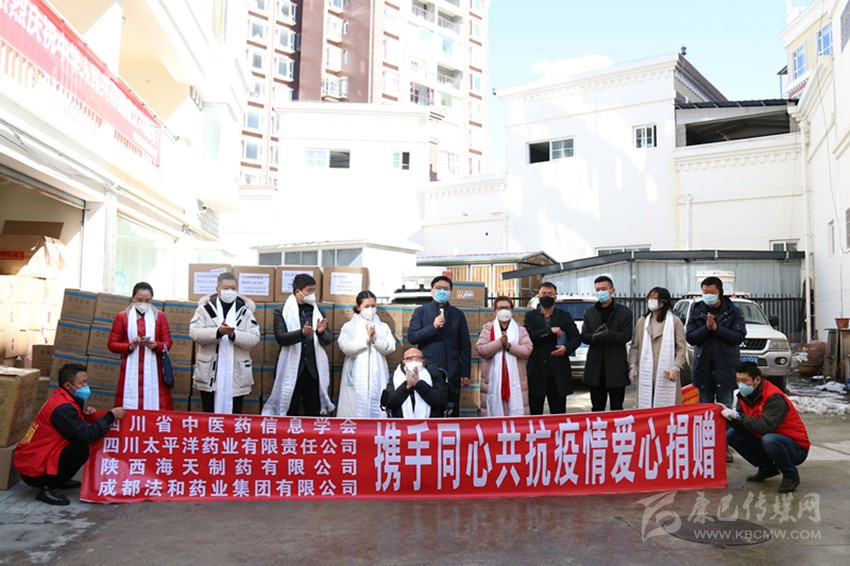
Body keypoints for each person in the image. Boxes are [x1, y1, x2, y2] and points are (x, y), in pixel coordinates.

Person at [14, 363, 126, 506]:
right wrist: (110, 416)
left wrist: (86, 415)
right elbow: (87, 435)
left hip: (36, 461)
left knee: (78, 446)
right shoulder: (63, 408)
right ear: (68, 385)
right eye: (82, 383)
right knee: (80, 449)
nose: (86, 386)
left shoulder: (64, 398)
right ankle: (48, 486)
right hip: (33, 470)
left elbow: (74, 426)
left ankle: (59, 480)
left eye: (86, 381)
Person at [686, 275, 746, 462]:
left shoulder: (733, 311)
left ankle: (723, 446)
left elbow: (739, 336)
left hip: (725, 367)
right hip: (703, 367)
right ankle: (705, 446)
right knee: (704, 409)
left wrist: (717, 329)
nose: (708, 296)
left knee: (724, 408)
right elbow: (691, 337)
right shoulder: (697, 309)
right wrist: (706, 328)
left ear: (720, 292)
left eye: (711, 292)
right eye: (705, 292)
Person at [724, 362, 809, 493]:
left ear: (757, 380)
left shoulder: (774, 397)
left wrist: (739, 417)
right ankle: (767, 468)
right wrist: (730, 419)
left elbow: (766, 426)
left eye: (744, 381)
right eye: (738, 380)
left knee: (770, 439)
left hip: (795, 447)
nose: (740, 385)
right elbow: (744, 426)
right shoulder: (743, 396)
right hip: (766, 440)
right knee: (732, 435)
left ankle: (791, 475)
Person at [189, 272, 261, 414]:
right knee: (209, 414)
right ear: (217, 289)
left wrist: (234, 335)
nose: (230, 291)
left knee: (235, 415)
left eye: (233, 288)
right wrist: (218, 332)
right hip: (209, 372)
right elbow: (194, 333)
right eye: (226, 288)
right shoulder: (205, 309)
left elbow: (254, 338)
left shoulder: (245, 311)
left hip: (237, 373)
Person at [263, 273, 334, 416]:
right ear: (298, 292)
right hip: (290, 370)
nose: (312, 294)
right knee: (290, 410)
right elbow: (281, 338)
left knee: (313, 412)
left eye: (314, 290)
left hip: (313, 371)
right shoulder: (282, 311)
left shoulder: (318, 311)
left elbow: (328, 340)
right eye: (309, 290)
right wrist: (301, 333)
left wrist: (321, 333)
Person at [407, 276, 470, 417]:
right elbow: (412, 337)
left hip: (452, 372)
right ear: (432, 291)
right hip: (429, 370)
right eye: (438, 288)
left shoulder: (458, 314)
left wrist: (465, 373)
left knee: (451, 411)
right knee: (431, 410)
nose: (442, 291)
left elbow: (465, 346)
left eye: (445, 289)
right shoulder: (421, 312)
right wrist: (433, 327)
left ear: (450, 292)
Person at [107, 281, 173, 410]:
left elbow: (168, 343)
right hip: (129, 368)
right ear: (133, 298)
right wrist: (129, 346)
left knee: (157, 407)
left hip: (155, 369)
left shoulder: (159, 317)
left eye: (147, 300)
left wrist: (155, 345)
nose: (143, 303)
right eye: (139, 300)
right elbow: (112, 344)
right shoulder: (123, 317)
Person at [524, 283, 582, 415]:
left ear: (555, 297)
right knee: (535, 413)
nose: (546, 296)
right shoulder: (530, 316)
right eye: (543, 293)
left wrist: (566, 348)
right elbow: (530, 336)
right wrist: (550, 331)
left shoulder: (564, 316)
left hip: (558, 371)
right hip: (537, 370)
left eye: (550, 294)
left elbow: (576, 338)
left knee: (558, 413)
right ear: (538, 296)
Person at [337, 291, 396, 418]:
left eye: (373, 306)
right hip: (355, 373)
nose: (370, 309)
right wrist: (366, 339)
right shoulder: (349, 327)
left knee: (378, 407)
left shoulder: (383, 327)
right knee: (354, 408)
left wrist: (375, 340)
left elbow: (391, 347)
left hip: (377, 371)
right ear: (358, 307)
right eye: (367, 306)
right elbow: (345, 347)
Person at [628, 287, 687, 408]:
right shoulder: (642, 321)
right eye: (649, 298)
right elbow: (635, 346)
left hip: (667, 373)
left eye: (654, 298)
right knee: (646, 405)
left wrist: (676, 368)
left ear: (663, 302)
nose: (651, 301)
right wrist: (633, 365)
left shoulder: (674, 322)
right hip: (646, 372)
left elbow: (681, 348)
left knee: (667, 409)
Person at [582, 275, 633, 411]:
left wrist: (609, 334)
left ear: (612, 291)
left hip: (616, 367)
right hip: (595, 368)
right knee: (597, 408)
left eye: (603, 289)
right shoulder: (589, 312)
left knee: (617, 407)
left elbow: (626, 336)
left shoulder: (624, 312)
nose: (600, 292)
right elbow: (584, 336)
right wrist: (594, 337)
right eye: (597, 289)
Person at [477, 297, 533, 416]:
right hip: (493, 380)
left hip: (515, 381)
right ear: (495, 310)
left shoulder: (520, 330)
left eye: (506, 308)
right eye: (500, 308)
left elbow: (527, 351)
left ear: (512, 310)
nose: (503, 310)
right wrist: (499, 343)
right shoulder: (488, 329)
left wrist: (508, 346)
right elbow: (481, 349)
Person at [384, 348, 446, 418]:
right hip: (401, 420)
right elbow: (389, 403)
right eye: (409, 359)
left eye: (417, 358)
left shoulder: (433, 374)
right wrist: (406, 386)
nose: (414, 361)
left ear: (423, 362)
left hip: (430, 420)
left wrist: (418, 384)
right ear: (404, 362)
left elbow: (440, 401)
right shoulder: (396, 377)